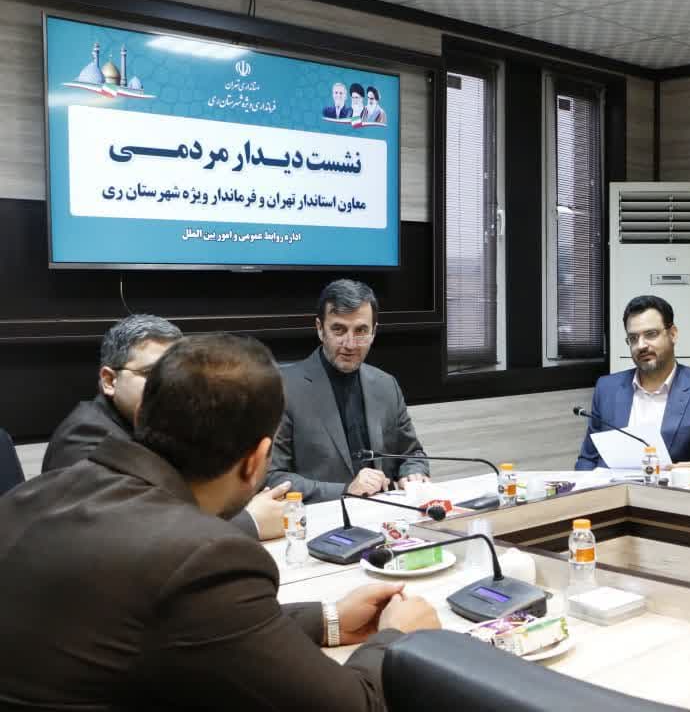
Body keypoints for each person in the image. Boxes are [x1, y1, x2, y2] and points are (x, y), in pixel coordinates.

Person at [0, 334, 441, 709]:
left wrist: (329, 618)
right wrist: (396, 639)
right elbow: (356, 705)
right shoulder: (203, 558)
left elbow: (190, 624)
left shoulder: (33, 494)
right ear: (257, 461)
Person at [41, 314, 288, 540]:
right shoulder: (84, 440)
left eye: (176, 373)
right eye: (152, 372)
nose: (171, 384)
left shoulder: (169, 423)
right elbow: (128, 536)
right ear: (109, 380)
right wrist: (249, 522)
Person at [268, 280, 429, 502]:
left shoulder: (386, 385)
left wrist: (413, 473)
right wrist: (345, 490)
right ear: (320, 329)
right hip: (321, 517)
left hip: (387, 513)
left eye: (361, 331)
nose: (350, 344)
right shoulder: (283, 388)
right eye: (339, 330)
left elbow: (412, 454)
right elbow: (272, 477)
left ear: (374, 332)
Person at [575, 295, 690, 470]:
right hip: (612, 487)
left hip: (678, 488)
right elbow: (587, 460)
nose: (641, 345)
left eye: (651, 334)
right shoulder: (607, 389)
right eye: (633, 338)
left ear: (673, 334)